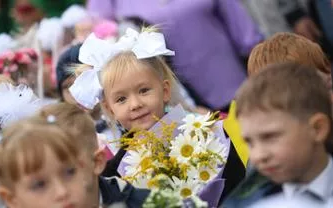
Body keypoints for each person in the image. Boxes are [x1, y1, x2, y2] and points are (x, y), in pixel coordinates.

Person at [69, 27, 245, 204]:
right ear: (109, 109)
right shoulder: (118, 173)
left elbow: (240, 187)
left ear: (165, 90)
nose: (135, 104)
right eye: (121, 99)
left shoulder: (207, 132)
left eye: (144, 90)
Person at [87, 0, 262, 111]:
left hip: (238, 87)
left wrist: (261, 67)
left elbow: (245, 33)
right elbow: (102, 41)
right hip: (177, 106)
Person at [222, 62, 333, 207]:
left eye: (270, 137)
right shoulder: (246, 204)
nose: (258, 156)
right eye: (249, 142)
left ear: (318, 129)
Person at [38, 103, 150, 208]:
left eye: (69, 171)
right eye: (40, 183)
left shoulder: (148, 203)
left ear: (97, 162)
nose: (58, 192)